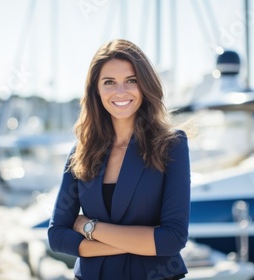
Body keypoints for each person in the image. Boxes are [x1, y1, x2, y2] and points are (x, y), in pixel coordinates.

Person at [48, 39, 190, 280]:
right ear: (96, 90)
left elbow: (172, 239)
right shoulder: (81, 151)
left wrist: (89, 227)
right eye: (109, 82)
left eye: (131, 81)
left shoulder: (171, 145)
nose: (120, 92)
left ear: (145, 85)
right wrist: (143, 241)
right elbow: (58, 237)